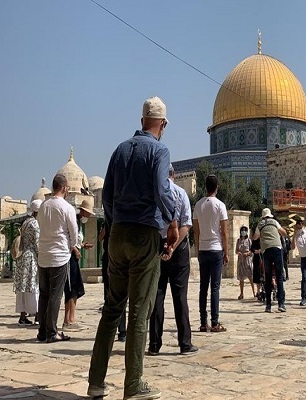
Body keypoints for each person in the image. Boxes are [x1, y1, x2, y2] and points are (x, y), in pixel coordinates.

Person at [88, 96, 178, 400]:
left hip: (117, 235)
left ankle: (96, 382)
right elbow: (160, 188)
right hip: (144, 236)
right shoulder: (160, 150)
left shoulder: (120, 149)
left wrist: (113, 227)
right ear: (162, 124)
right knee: (140, 310)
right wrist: (172, 220)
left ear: (142, 121)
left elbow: (107, 196)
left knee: (112, 309)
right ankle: (133, 384)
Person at [149, 165, 197, 356]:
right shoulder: (181, 193)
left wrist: (164, 246)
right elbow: (186, 225)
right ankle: (185, 343)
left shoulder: (154, 195)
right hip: (179, 250)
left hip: (158, 247)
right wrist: (173, 246)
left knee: (157, 296)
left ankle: (154, 344)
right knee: (180, 297)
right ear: (173, 175)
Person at [36, 174, 78, 343]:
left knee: (44, 294)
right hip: (59, 256)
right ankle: (52, 331)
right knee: (55, 295)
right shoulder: (66, 207)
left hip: (44, 255)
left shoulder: (44, 206)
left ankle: (42, 331)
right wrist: (72, 245)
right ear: (64, 188)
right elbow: (73, 232)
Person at [193, 174, 229, 333]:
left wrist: (198, 250)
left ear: (205, 186)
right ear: (217, 187)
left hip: (203, 249)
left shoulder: (198, 205)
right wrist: (226, 252)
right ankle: (215, 322)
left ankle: (203, 322)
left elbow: (196, 231)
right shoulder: (220, 205)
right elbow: (225, 232)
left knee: (203, 287)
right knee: (215, 287)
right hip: (215, 249)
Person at [63, 199, 94, 330]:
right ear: (83, 211)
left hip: (74, 257)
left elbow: (75, 240)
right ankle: (67, 320)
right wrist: (75, 249)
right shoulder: (74, 221)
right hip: (70, 257)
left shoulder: (79, 224)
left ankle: (72, 318)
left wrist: (81, 246)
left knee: (76, 288)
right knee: (70, 288)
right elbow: (68, 239)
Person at [253, 208, 287, 313]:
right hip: (277, 248)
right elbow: (283, 233)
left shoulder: (260, 224)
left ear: (263, 216)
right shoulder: (275, 222)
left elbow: (255, 237)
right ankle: (281, 304)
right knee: (279, 277)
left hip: (266, 250)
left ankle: (268, 305)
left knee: (267, 278)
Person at [13, 199, 42, 326]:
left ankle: (23, 315)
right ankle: (37, 315)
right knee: (33, 285)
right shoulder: (35, 224)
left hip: (22, 257)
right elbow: (36, 243)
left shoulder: (25, 222)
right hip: (31, 258)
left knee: (23, 287)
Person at [99, 222, 127, 342]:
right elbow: (100, 237)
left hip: (117, 256)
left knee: (119, 293)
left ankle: (120, 330)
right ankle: (115, 330)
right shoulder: (110, 222)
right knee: (111, 294)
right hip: (111, 256)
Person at [235, 225, 255, 300]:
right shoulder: (238, 240)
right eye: (242, 231)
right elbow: (236, 250)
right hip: (241, 261)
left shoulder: (249, 240)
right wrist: (239, 253)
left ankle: (254, 292)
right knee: (241, 278)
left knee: (251, 277)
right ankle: (241, 293)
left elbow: (251, 250)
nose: (243, 232)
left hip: (247, 260)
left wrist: (247, 253)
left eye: (244, 230)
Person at [250, 231, 264, 301]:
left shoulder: (264, 239)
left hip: (264, 259)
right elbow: (252, 249)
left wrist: (261, 250)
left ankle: (264, 290)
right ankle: (258, 291)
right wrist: (255, 251)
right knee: (257, 276)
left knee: (263, 274)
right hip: (256, 259)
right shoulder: (255, 241)